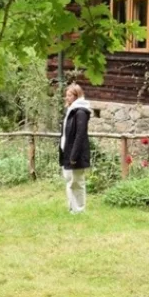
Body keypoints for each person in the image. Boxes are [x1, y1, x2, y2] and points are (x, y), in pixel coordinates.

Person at [59, 83, 93, 214]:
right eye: (66, 95)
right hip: (67, 152)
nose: (66, 98)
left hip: (76, 154)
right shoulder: (71, 111)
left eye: (69, 95)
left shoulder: (81, 112)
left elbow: (80, 135)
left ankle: (79, 209)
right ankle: (72, 208)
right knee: (70, 181)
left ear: (76, 95)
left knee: (77, 182)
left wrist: (74, 156)